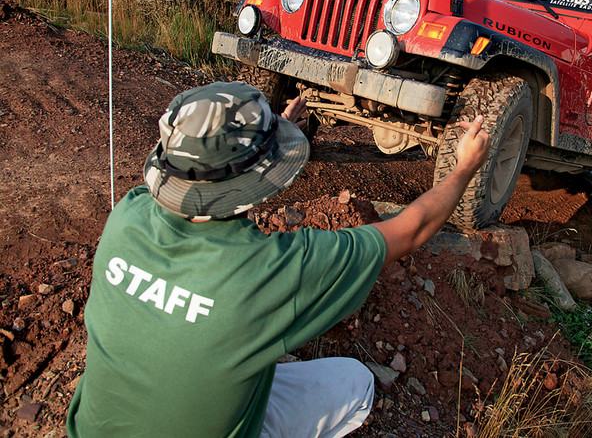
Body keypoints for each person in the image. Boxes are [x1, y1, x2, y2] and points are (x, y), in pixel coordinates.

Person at [66, 81, 490, 438]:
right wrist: (464, 167)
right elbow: (411, 230)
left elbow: (210, 186)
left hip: (92, 429)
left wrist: (273, 136)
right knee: (356, 382)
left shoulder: (128, 214)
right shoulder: (271, 271)